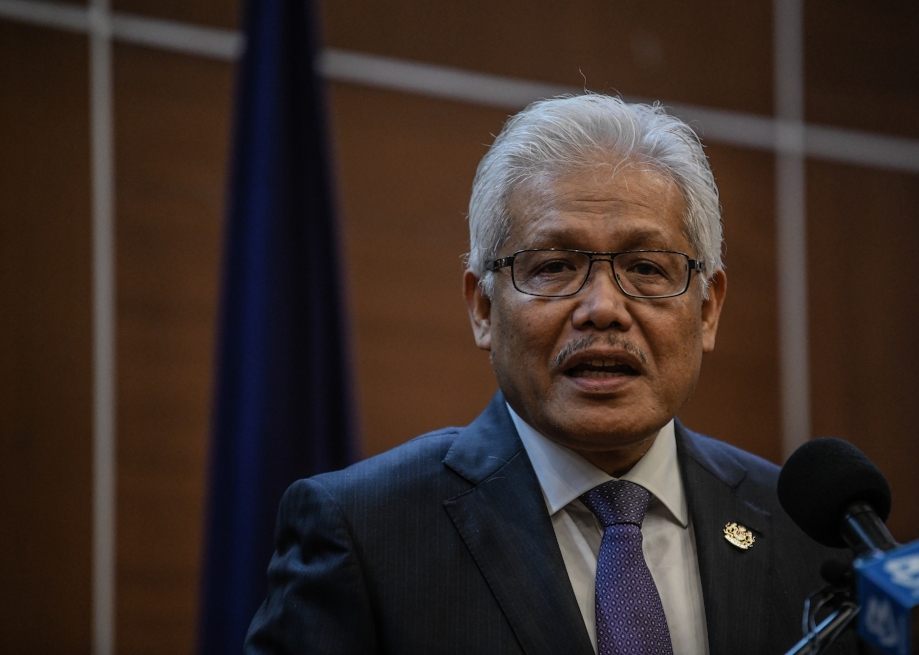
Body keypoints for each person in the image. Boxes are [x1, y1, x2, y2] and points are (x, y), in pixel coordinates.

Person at [244, 94, 854, 654]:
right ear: (483, 309)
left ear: (708, 309)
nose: (603, 308)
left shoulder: (810, 532)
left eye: (646, 267)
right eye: (555, 266)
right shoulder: (366, 533)